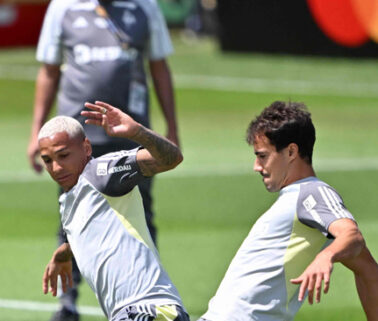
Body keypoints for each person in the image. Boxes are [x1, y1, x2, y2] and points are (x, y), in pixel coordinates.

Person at [27, 1, 179, 319]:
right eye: (48, 162)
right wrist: (36, 132)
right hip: (72, 134)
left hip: (129, 131)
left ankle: (149, 294)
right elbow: (49, 70)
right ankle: (67, 302)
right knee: (74, 216)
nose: (52, 168)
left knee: (140, 217)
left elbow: (159, 67)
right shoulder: (63, 7)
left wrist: (164, 128)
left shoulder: (144, 6)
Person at [198, 101, 378, 321]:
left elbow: (352, 235)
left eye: (263, 156)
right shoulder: (299, 203)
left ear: (291, 151)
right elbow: (368, 271)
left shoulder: (313, 193)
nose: (256, 166)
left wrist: (326, 256)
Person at [40, 101, 189, 321]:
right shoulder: (69, 201)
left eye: (63, 156)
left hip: (146, 309)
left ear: (87, 148)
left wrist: (137, 132)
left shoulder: (101, 173)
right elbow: (96, 231)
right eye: (47, 160)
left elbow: (171, 158)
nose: (56, 168)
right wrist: (65, 252)